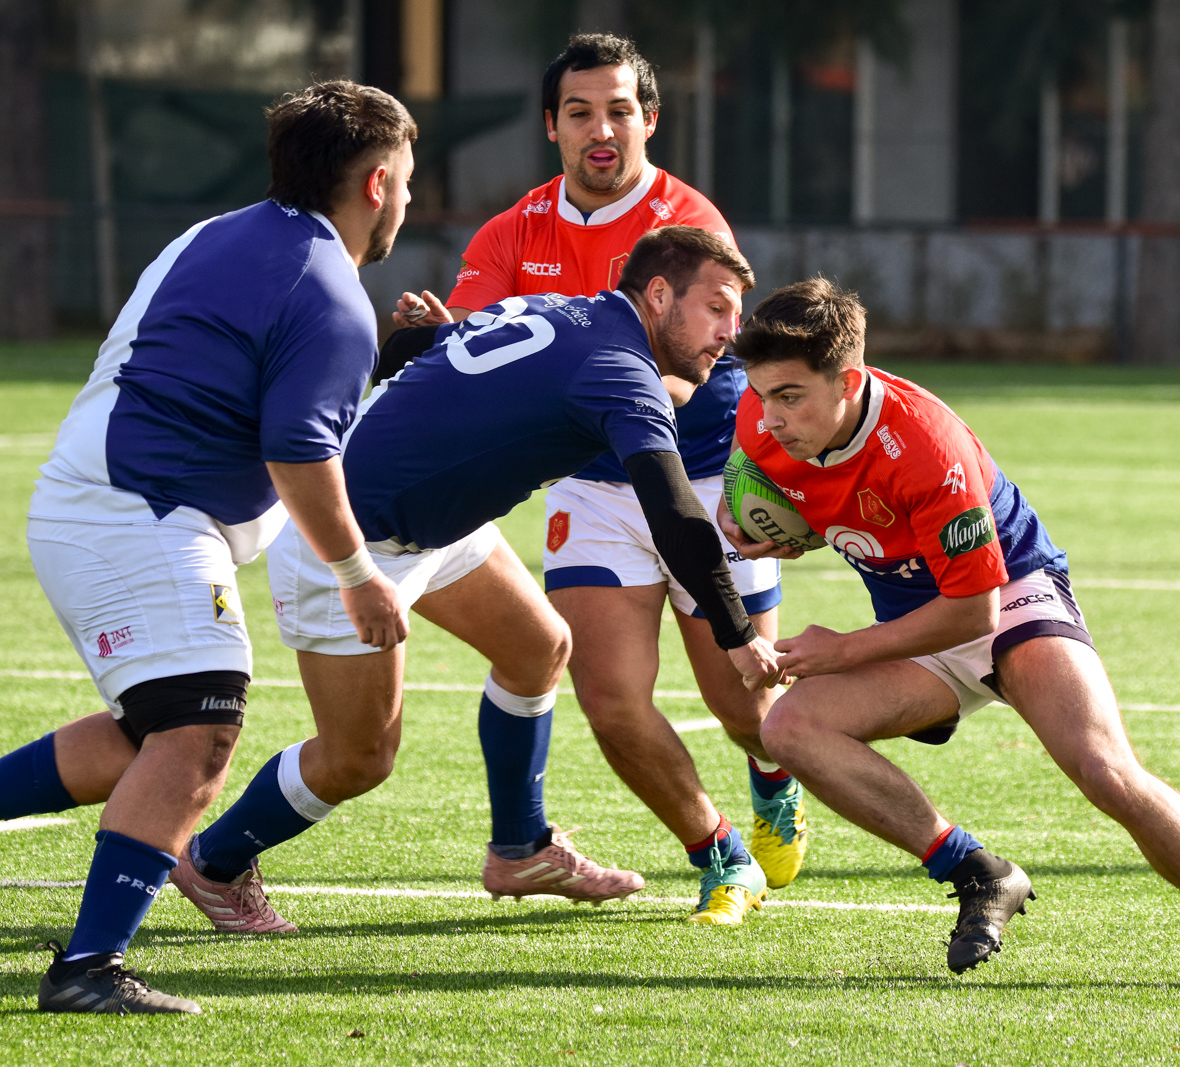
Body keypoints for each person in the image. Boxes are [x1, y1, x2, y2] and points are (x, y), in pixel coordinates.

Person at [174, 226, 787, 932]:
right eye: (717, 308)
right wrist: (738, 635)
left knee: (538, 647)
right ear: (656, 294)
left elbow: (425, 360)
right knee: (359, 757)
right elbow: (677, 517)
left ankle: (520, 849)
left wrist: (430, 338)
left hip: (432, 518)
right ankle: (213, 862)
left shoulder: (566, 308)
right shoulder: (619, 368)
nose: (730, 331)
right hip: (349, 539)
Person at [721, 279, 1180, 991]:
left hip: (1009, 599)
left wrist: (842, 648)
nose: (772, 416)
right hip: (918, 625)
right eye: (761, 394)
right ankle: (977, 872)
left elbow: (974, 611)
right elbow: (829, 508)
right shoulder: (757, 426)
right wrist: (780, 535)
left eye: (791, 395)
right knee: (791, 728)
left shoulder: (924, 443)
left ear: (849, 380)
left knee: (1105, 769)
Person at [0, 81, 415, 1013]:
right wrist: (358, 578)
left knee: (150, 736)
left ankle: (89, 958)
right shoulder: (333, 294)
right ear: (379, 182)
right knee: (201, 727)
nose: (411, 201)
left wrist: (374, 362)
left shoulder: (218, 231)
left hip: (102, 495)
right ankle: (86, 970)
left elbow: (236, 365)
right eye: (411, 183)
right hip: (139, 511)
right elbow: (299, 451)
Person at [381, 33, 804, 924]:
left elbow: (688, 372)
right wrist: (427, 336)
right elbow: (483, 350)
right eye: (580, 112)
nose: (600, 128)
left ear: (650, 120)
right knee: (612, 701)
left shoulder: (690, 223)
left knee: (744, 704)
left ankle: (772, 781)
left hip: (702, 478)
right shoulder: (511, 232)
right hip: (591, 486)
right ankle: (721, 853)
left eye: (619, 110)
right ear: (552, 127)